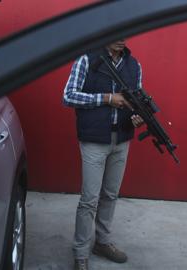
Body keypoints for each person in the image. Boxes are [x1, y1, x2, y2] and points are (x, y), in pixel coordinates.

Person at [63, 39, 144, 270]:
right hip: (94, 140)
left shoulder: (134, 65)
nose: (122, 38)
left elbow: (135, 102)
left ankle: (103, 242)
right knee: (89, 199)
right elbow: (68, 96)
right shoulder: (86, 60)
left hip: (121, 140)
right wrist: (106, 98)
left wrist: (136, 117)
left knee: (110, 194)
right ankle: (80, 253)